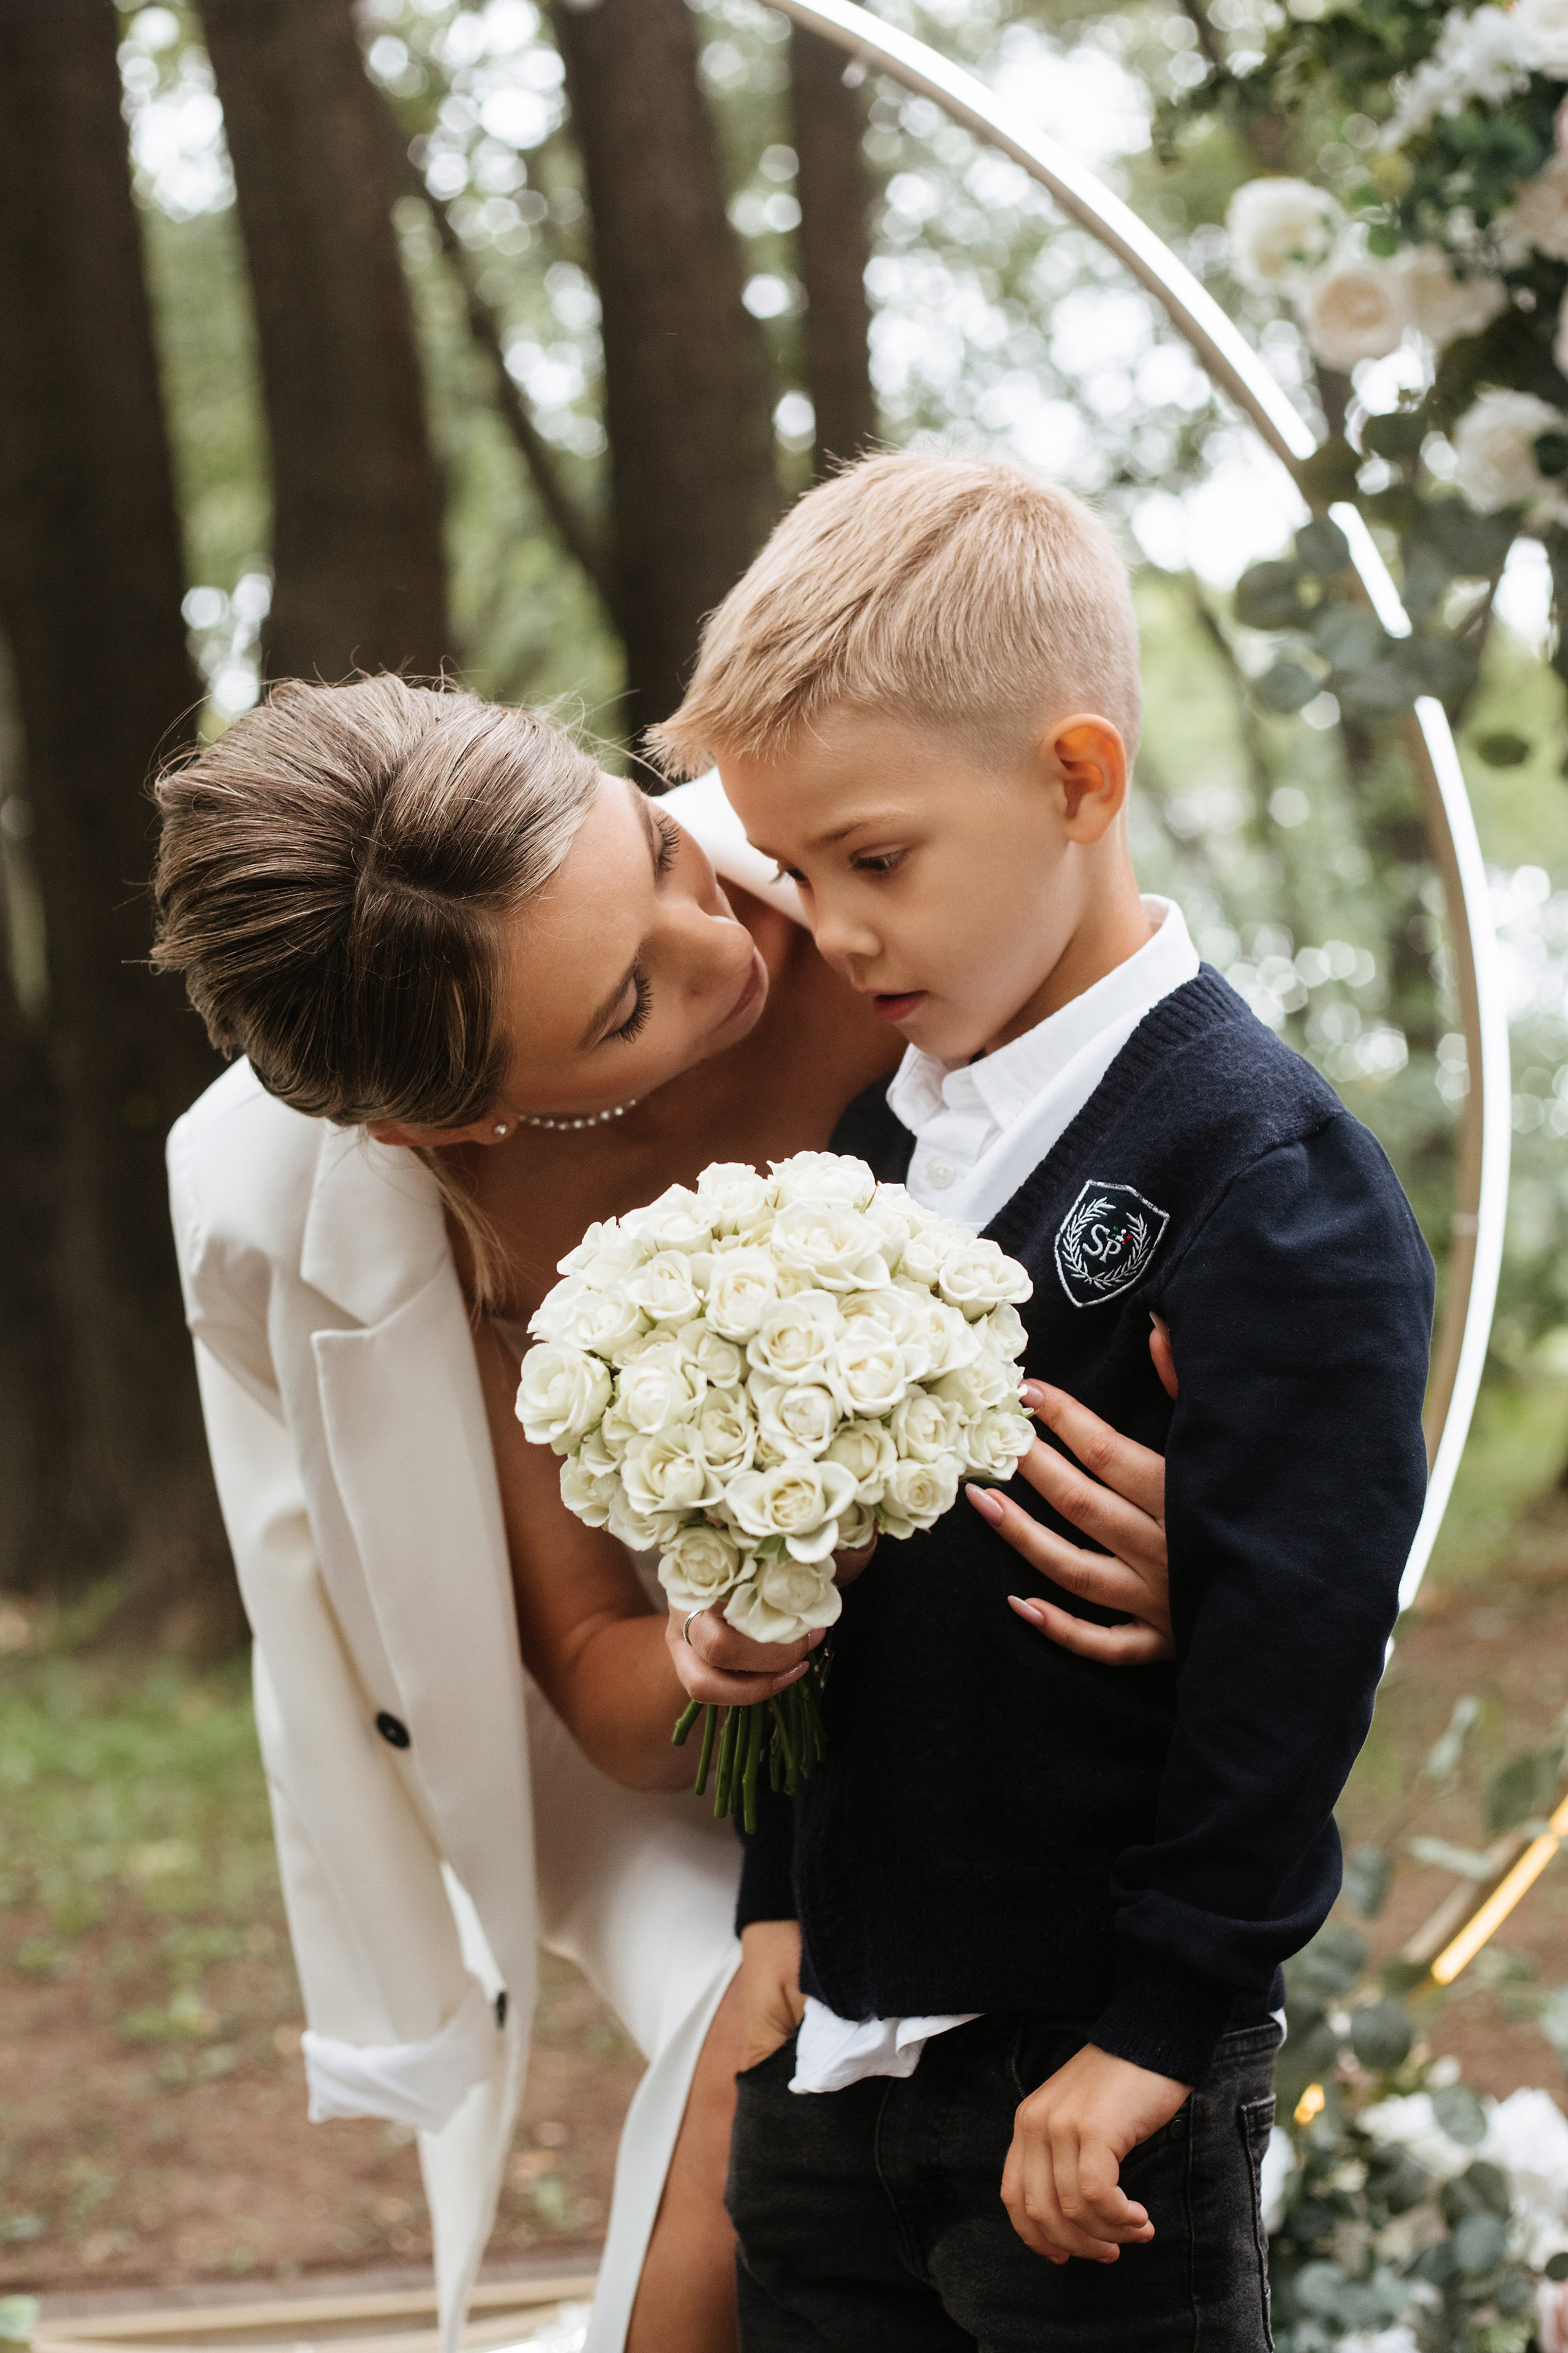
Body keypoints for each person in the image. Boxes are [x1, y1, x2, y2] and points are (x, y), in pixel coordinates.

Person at [151, 675, 1175, 2353]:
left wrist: (1202, 1536)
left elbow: (1232, 1198)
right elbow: (589, 1678)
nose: (740, 943)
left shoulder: (883, 887)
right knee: (752, 2019)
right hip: (669, 1751)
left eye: (657, 850)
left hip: (1018, 1680)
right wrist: (723, 1646)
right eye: (630, 999)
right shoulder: (392, 1210)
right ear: (453, 1118)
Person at [651, 451, 1435, 2352]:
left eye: (879, 858)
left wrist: (1159, 2027)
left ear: (1077, 781)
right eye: (798, 871)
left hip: (1083, 2084)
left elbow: (1296, 1648)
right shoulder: (871, 1145)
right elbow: (842, 1583)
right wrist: (780, 1903)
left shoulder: (1259, 1172)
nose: (833, 931)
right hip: (833, 2056)